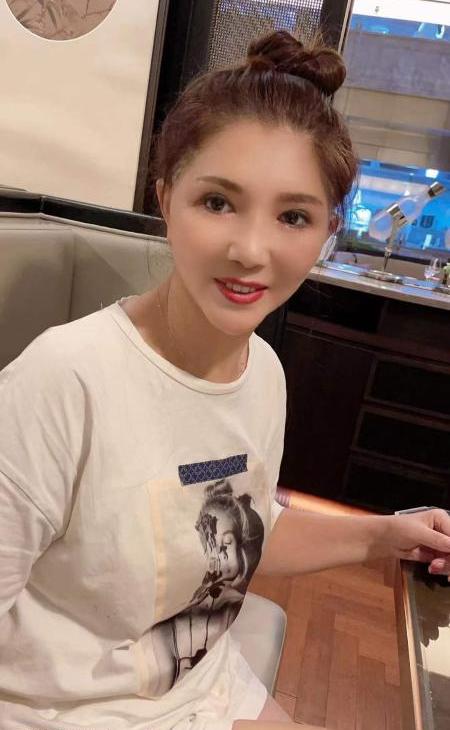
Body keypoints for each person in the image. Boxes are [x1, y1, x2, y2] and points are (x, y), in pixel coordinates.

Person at [1, 29, 450, 730]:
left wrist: (386, 536)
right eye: (218, 202)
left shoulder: (263, 374)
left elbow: (247, 531)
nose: (250, 250)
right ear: (165, 196)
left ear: (328, 231)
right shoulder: (63, 383)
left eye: (293, 216)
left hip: (205, 688)